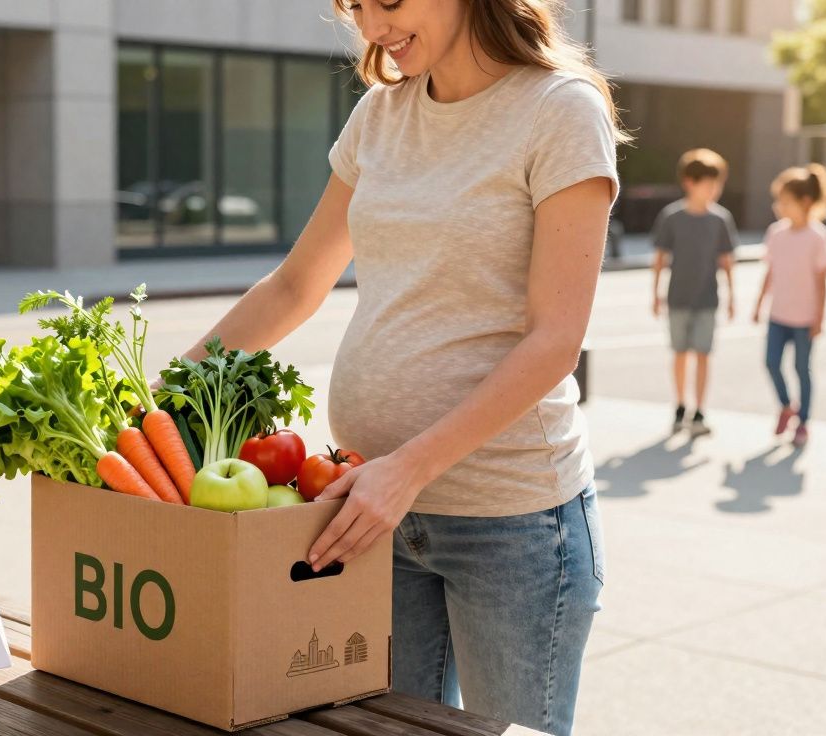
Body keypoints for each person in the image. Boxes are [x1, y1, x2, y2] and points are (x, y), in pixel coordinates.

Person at [168, 2, 621, 733]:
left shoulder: (558, 110)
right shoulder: (381, 115)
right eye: (357, 8)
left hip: (510, 526)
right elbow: (295, 285)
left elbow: (554, 341)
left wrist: (406, 470)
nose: (373, 29)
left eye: (390, 2)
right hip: (367, 510)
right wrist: (167, 396)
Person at [650, 149, 739, 437]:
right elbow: (660, 258)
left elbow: (726, 261)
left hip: (708, 300)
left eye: (717, 184)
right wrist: (655, 294)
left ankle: (699, 410)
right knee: (680, 353)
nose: (714, 189)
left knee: (703, 354)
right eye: (708, 183)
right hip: (678, 298)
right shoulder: (672, 217)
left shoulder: (720, 219)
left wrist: (732, 296)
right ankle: (680, 407)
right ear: (689, 182)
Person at [753, 164, 826, 448]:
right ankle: (786, 406)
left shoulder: (818, 237)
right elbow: (770, 272)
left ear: (805, 202)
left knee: (802, 369)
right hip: (778, 315)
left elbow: (822, 283)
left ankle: (803, 422)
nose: (778, 207)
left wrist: (819, 318)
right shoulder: (775, 233)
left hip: (804, 319)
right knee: (771, 363)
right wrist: (759, 304)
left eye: (785, 201)